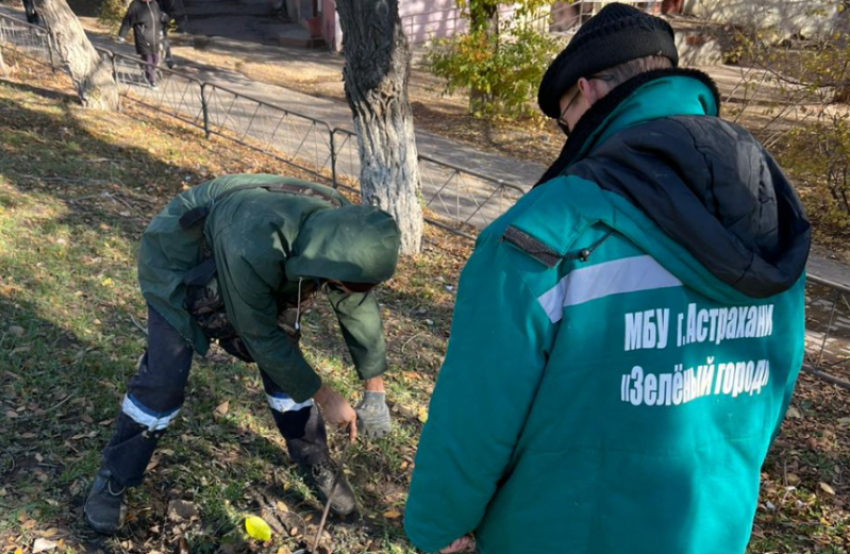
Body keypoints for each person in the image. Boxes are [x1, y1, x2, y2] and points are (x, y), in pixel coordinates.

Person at [404, 4, 811, 554]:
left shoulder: (549, 228)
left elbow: (476, 411)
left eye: (564, 113)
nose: (566, 131)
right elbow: (774, 386)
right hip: (710, 530)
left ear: (589, 93)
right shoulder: (771, 218)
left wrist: (436, 525)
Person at [85, 174, 400, 534]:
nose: (350, 290)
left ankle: (316, 460)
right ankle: (116, 476)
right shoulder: (256, 245)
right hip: (183, 256)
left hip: (251, 252)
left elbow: (356, 300)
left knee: (288, 371)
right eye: (344, 283)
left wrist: (375, 390)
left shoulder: (346, 234)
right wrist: (325, 396)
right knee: (164, 379)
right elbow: (260, 335)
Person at [117, 0, 164, 89]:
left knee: (156, 59)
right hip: (142, 38)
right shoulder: (135, 5)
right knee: (148, 60)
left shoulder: (154, 4)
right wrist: (121, 35)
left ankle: (146, 69)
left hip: (154, 38)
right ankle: (151, 81)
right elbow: (127, 20)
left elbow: (158, 19)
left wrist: (160, 30)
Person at [157, 0, 188, 68]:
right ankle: (166, 60)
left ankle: (167, 59)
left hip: (168, 15)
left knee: (162, 36)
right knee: (160, 36)